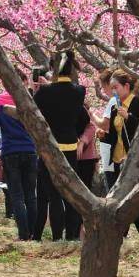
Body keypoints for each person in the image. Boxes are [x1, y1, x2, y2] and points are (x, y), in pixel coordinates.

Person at [32, 51, 86, 241]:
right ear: (71, 68)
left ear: (53, 68)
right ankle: (72, 235)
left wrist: (36, 90)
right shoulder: (80, 91)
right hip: (70, 146)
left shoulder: (45, 92)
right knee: (71, 193)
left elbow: (33, 110)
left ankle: (56, 236)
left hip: (50, 147)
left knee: (53, 195)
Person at [0, 83, 38, 240]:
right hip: (30, 150)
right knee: (31, 195)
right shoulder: (29, 99)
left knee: (16, 195)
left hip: (10, 151)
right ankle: (34, 233)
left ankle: (23, 234)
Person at [102, 70, 139, 240]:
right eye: (112, 88)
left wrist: (129, 116)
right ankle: (123, 234)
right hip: (115, 158)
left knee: (129, 198)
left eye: (116, 87)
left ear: (126, 86)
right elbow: (114, 134)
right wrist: (103, 135)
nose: (113, 91)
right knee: (117, 199)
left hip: (132, 158)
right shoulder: (115, 106)